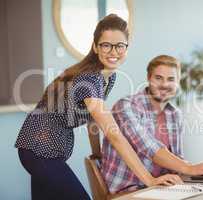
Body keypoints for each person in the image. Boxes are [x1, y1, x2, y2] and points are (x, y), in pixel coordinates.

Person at [15, 15, 182, 200]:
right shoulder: (90, 78)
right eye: (106, 45)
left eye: (120, 45)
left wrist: (97, 152)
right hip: (40, 148)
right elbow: (113, 134)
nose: (114, 51)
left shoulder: (108, 77)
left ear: (126, 48)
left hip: (45, 149)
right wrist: (149, 179)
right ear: (95, 47)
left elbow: (93, 118)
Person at [101, 55, 203, 194]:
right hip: (129, 190)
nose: (164, 84)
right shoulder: (127, 106)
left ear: (178, 82)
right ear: (149, 78)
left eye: (171, 79)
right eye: (158, 78)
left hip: (161, 187)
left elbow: (177, 165)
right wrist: (190, 169)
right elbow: (150, 148)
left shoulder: (175, 114)